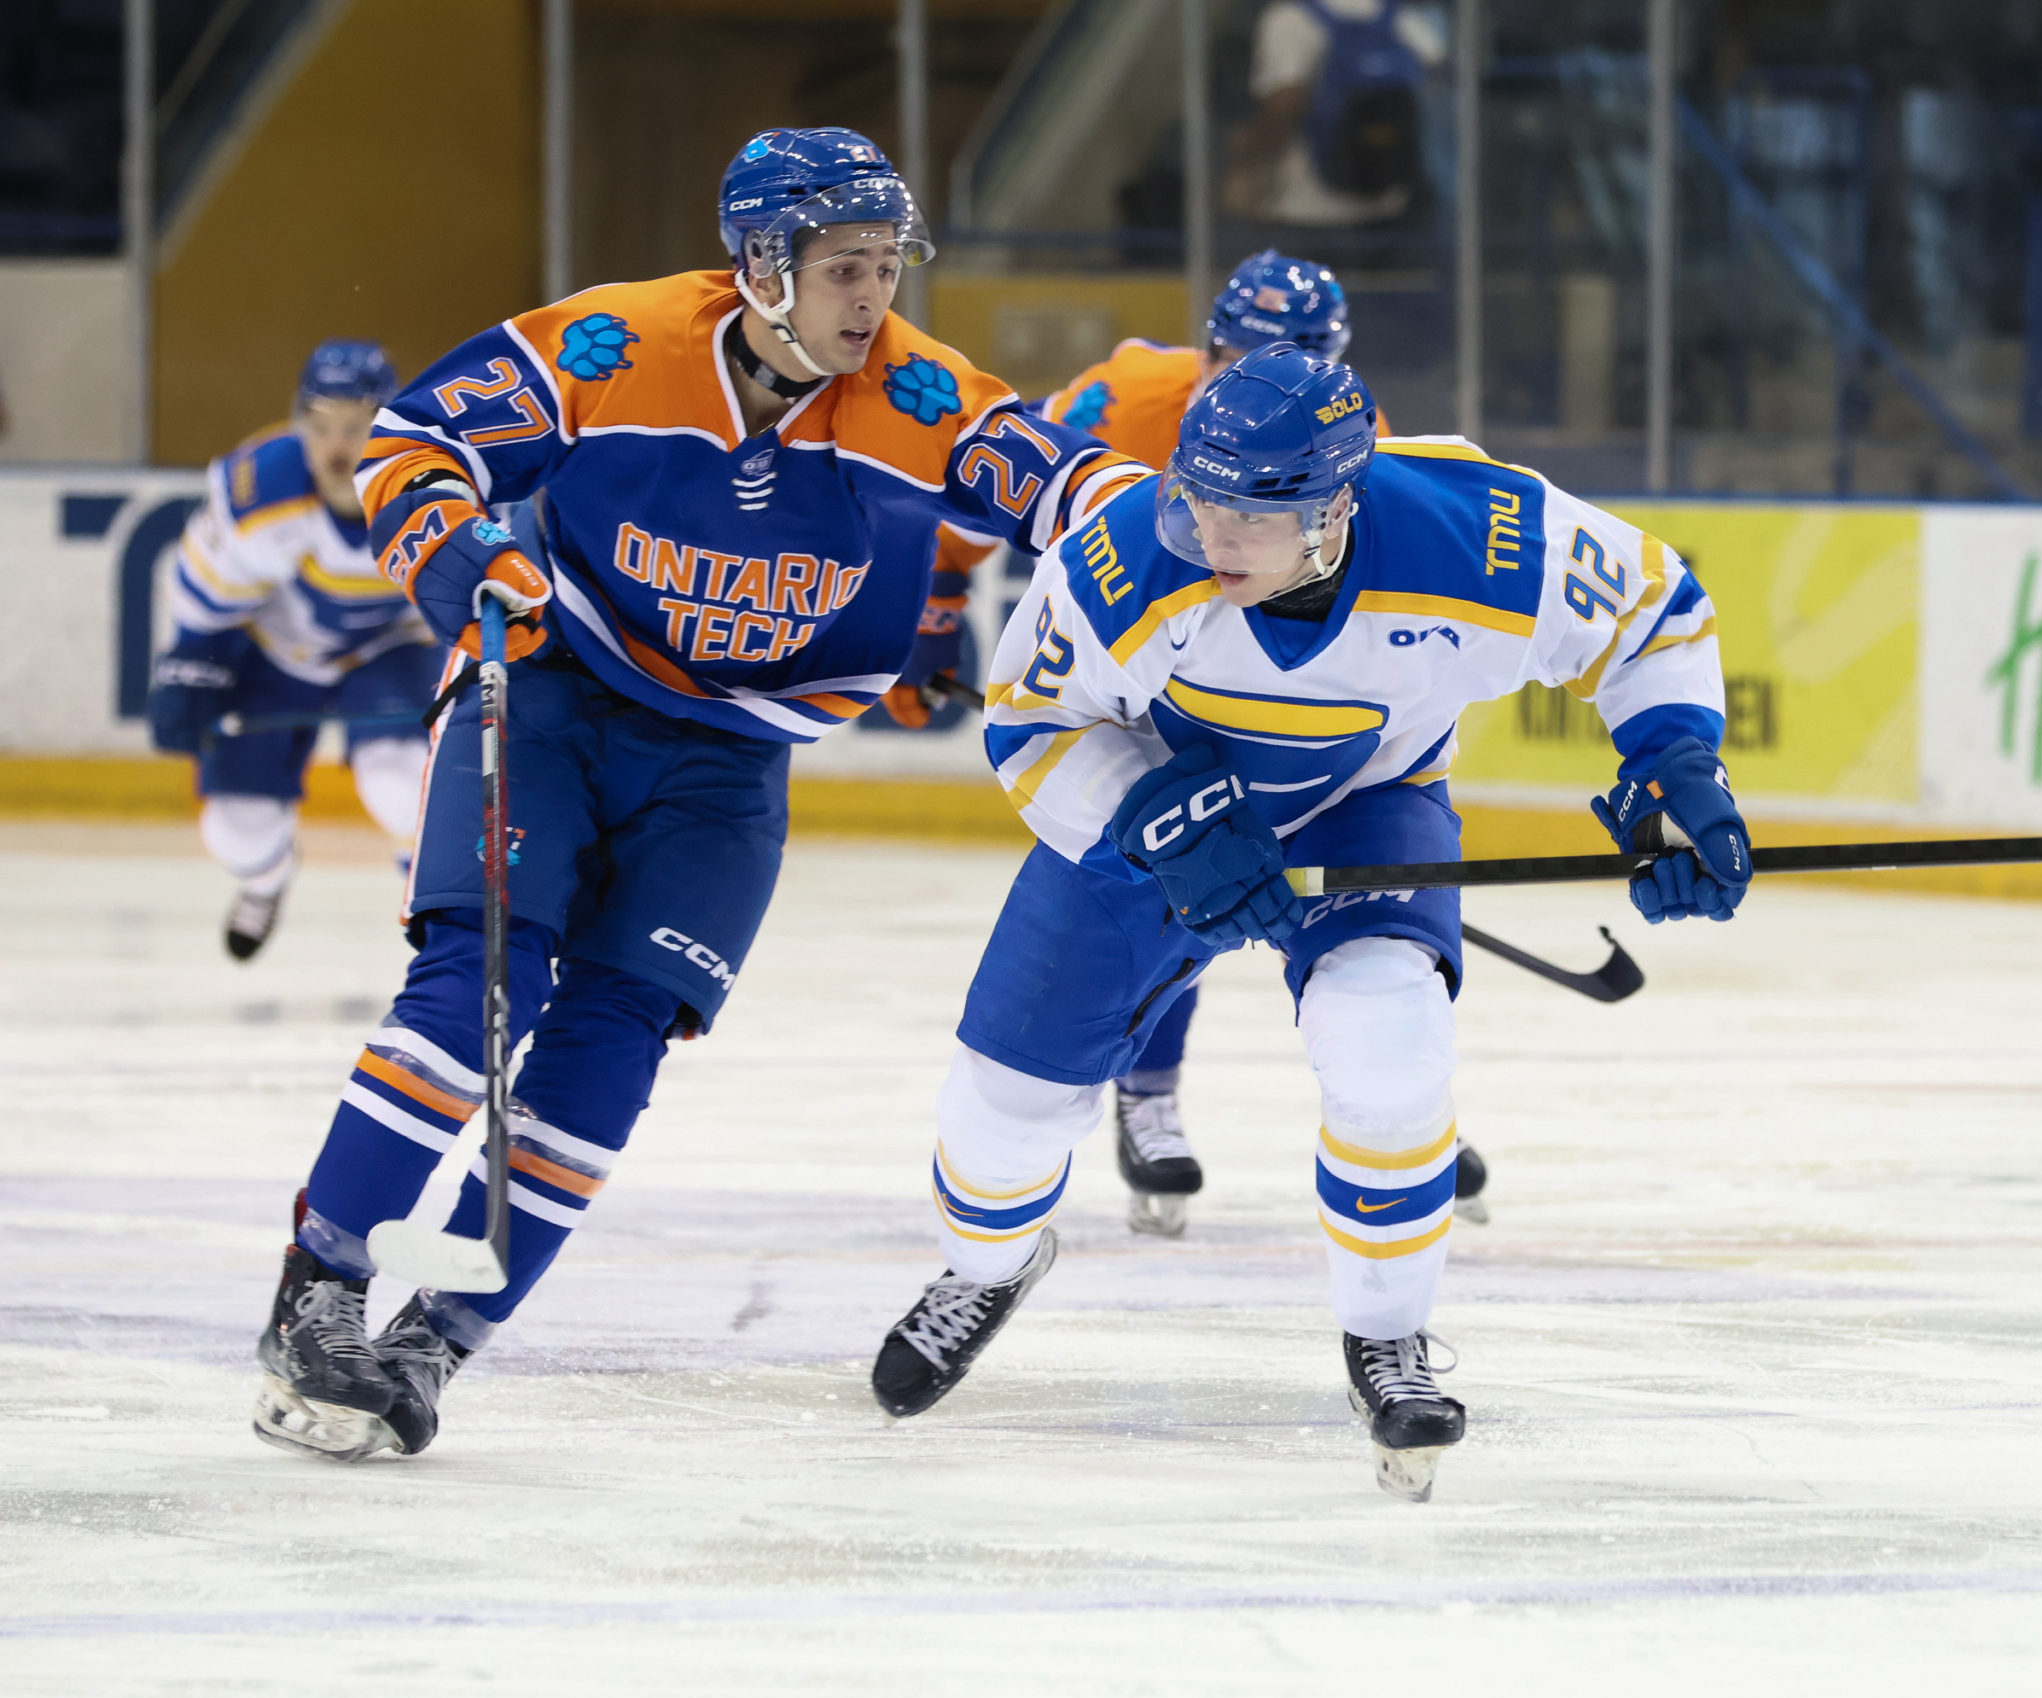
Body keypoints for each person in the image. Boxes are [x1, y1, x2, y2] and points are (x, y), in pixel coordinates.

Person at [246, 127, 1140, 1465]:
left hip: (730, 763)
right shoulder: (613, 346)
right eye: (843, 267)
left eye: (888, 266)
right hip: (555, 694)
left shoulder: (925, 396)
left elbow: (1089, 495)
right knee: (475, 989)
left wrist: (1202, 601)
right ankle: (321, 1288)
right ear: (762, 264)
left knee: (609, 1047)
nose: (871, 298)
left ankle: (437, 1342)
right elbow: (416, 439)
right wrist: (460, 548)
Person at [868, 346, 1750, 1501]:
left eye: (1251, 513)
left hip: (1368, 807)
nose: (1212, 536)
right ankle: (985, 1265)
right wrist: (1150, 814)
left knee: (1389, 1054)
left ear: (1336, 505)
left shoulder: (1480, 533)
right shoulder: (1123, 555)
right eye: (1200, 495)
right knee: (1003, 1109)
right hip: (1155, 808)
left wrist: (1675, 763)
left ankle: (1386, 1334)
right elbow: (1028, 724)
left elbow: (1653, 613)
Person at [1034, 249, 1502, 1239]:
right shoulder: (1126, 393)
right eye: (1245, 351)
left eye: (1297, 353)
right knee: (1171, 883)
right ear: (1209, 345)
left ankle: (1394, 1114)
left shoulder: (1344, 436)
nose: (1265, 373)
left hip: (1270, 705)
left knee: (1368, 934)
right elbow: (1023, 488)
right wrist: (951, 596)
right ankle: (1147, 1093)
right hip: (1140, 686)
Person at [146, 341, 435, 959]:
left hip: (392, 649)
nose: (336, 448)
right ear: (299, 422)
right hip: (278, 653)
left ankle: (435, 900)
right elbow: (208, 595)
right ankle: (265, 881)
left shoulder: (434, 478)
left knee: (402, 783)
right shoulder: (261, 490)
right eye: (321, 426)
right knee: (236, 830)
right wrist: (190, 664)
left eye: (355, 429)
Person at [1224, 0, 1444, 232]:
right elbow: (1438, 89)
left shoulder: (1289, 20)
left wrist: (1249, 162)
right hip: (1391, 204)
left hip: (1307, 210)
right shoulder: (1403, 18)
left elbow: (1284, 101)